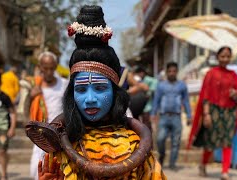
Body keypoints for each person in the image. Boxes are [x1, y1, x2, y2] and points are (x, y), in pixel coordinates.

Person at [25, 5, 166, 180]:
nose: (90, 99)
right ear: (71, 95)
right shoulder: (60, 148)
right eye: (81, 89)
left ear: (115, 92)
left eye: (100, 88)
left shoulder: (135, 144)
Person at [188, 46, 237, 180]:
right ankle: (203, 164)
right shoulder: (211, 73)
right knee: (210, 141)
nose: (225, 59)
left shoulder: (233, 75)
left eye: (228, 56)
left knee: (227, 141)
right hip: (213, 110)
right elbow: (205, 95)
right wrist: (206, 114)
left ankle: (225, 171)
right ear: (217, 57)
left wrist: (235, 94)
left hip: (229, 112)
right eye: (222, 56)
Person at [27, 51, 68, 180]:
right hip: (41, 135)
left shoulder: (64, 84)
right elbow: (25, 110)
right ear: (40, 68)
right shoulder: (34, 85)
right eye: (46, 68)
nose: (49, 71)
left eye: (52, 68)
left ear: (56, 67)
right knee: (36, 169)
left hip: (61, 134)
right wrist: (30, 96)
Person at [150, 62, 192, 170]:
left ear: (177, 72)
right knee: (160, 139)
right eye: (170, 71)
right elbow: (156, 100)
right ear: (167, 72)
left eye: (174, 71)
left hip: (176, 117)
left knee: (176, 141)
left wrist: (189, 115)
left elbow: (186, 101)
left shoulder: (182, 85)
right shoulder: (161, 85)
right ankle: (162, 155)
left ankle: (172, 163)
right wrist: (153, 114)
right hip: (164, 117)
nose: (172, 73)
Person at [133, 66, 158, 131]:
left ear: (142, 73)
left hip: (146, 107)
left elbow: (155, 83)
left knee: (146, 124)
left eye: (139, 73)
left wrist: (148, 92)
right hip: (138, 106)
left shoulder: (148, 79)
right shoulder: (136, 80)